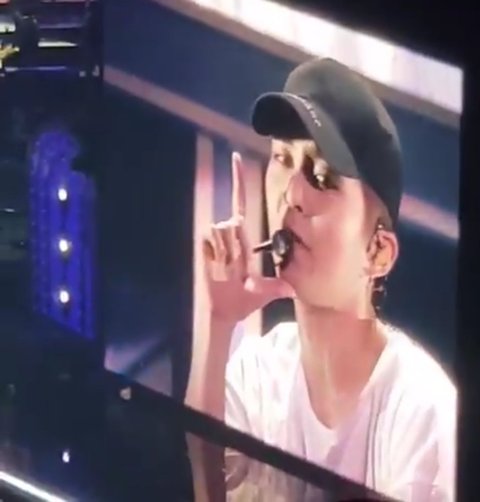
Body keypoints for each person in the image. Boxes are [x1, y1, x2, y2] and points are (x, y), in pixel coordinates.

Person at [185, 58, 457, 501]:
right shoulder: (260, 371)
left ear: (378, 252)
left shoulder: (422, 411)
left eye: (322, 177)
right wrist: (216, 325)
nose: (291, 193)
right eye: (282, 159)